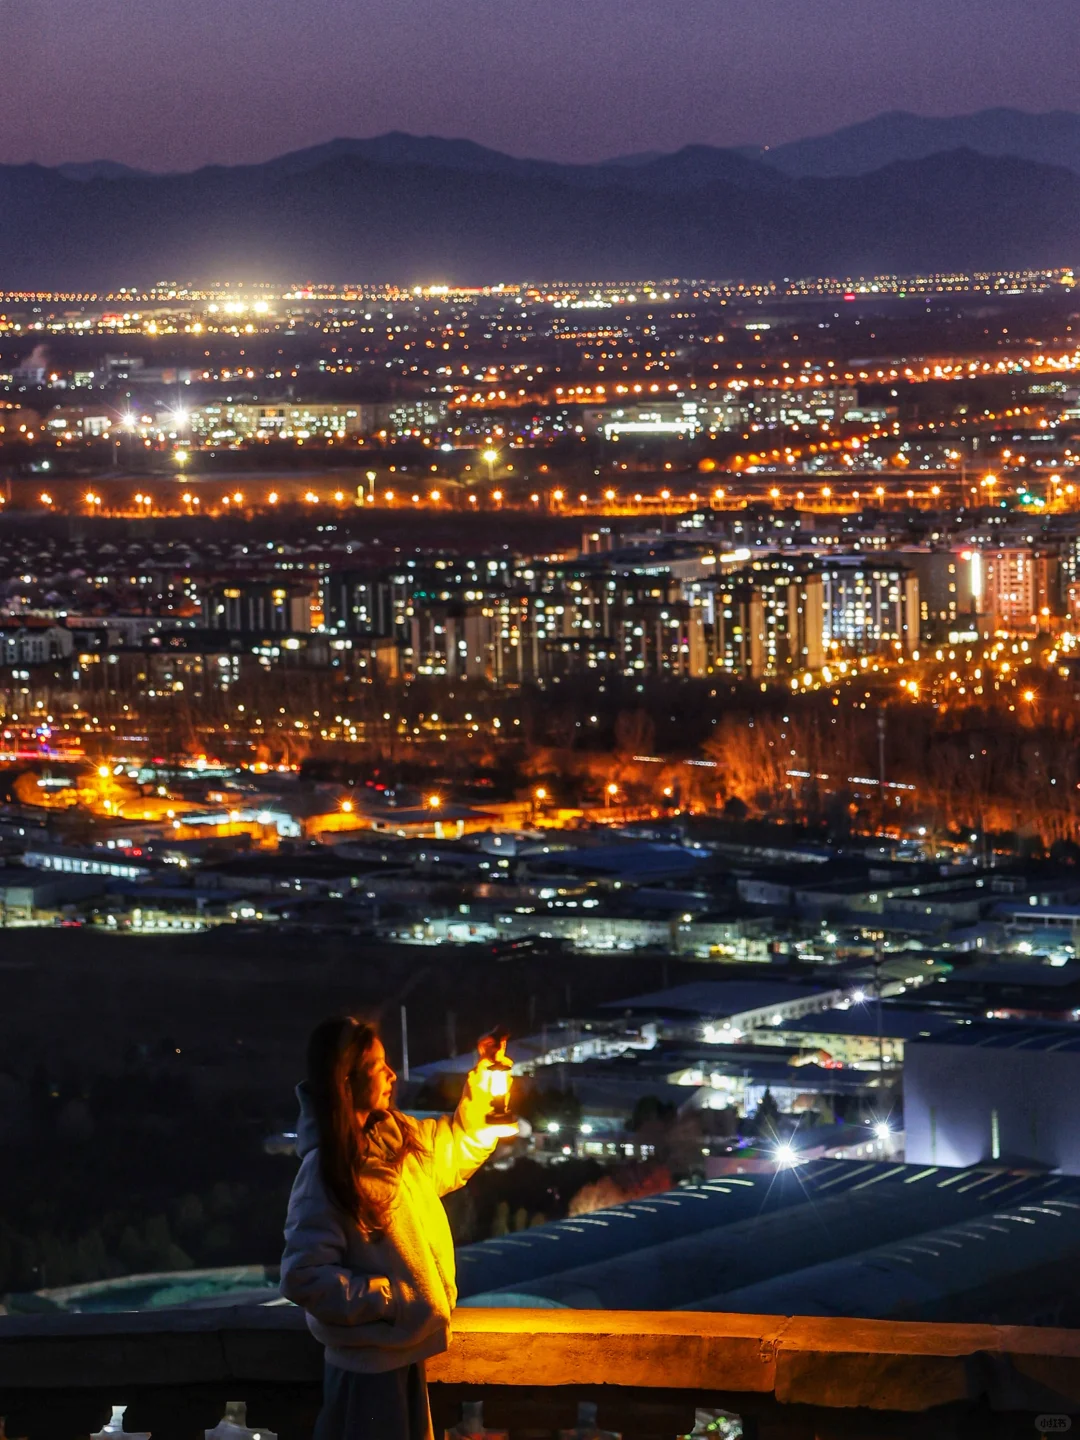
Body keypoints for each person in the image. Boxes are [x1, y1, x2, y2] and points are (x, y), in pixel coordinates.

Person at [280, 1015, 511, 1440]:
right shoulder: (326, 1171)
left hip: (402, 1357)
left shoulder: (397, 1139)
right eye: (377, 1066)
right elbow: (303, 1276)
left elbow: (458, 1145)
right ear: (346, 1080)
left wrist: (486, 1081)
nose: (391, 1075)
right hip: (367, 1373)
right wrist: (391, 1301)